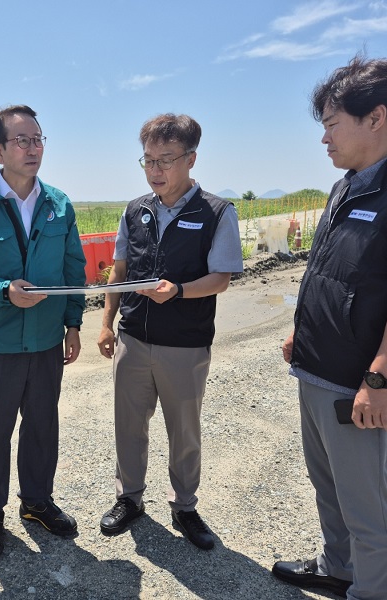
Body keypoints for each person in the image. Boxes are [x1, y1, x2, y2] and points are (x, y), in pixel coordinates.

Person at [272, 56, 387, 600]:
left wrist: (381, 378)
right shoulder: (346, 188)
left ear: (376, 117)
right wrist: (305, 334)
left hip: (360, 385)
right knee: (330, 489)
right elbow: (329, 274)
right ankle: (337, 567)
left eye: (331, 123)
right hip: (317, 369)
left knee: (368, 506)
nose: (324, 138)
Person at [0, 105, 86, 559]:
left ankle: (38, 503)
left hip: (45, 340)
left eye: (38, 139)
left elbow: (73, 269)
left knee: (43, 425)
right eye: (22, 141)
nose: (33, 149)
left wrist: (74, 323)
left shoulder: (58, 203)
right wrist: (3, 291)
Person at [96, 114, 243, 550]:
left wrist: (178, 291)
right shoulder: (135, 210)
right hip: (134, 339)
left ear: (191, 159)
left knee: (184, 430)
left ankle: (184, 506)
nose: (155, 171)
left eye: (166, 160)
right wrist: (106, 324)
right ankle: (129, 498)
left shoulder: (216, 212)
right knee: (129, 425)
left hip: (185, 345)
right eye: (148, 161)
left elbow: (221, 278)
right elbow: (118, 271)